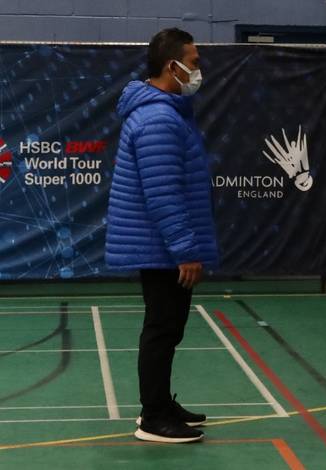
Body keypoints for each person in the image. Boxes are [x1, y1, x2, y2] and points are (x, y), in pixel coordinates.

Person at [106, 28, 219, 444]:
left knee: (168, 328)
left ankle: (160, 404)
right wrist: (185, 249)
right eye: (193, 62)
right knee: (161, 328)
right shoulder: (158, 119)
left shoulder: (167, 112)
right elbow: (163, 193)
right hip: (161, 248)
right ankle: (153, 417)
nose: (198, 69)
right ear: (170, 66)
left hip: (161, 246)